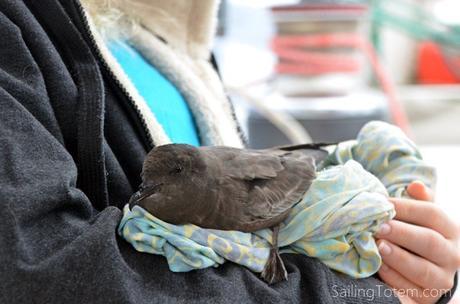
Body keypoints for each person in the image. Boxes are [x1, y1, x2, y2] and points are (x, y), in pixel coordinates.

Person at [0, 0, 457, 303]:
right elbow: (41, 270)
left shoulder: (171, 42)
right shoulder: (15, 28)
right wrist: (360, 294)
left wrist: (416, 268)